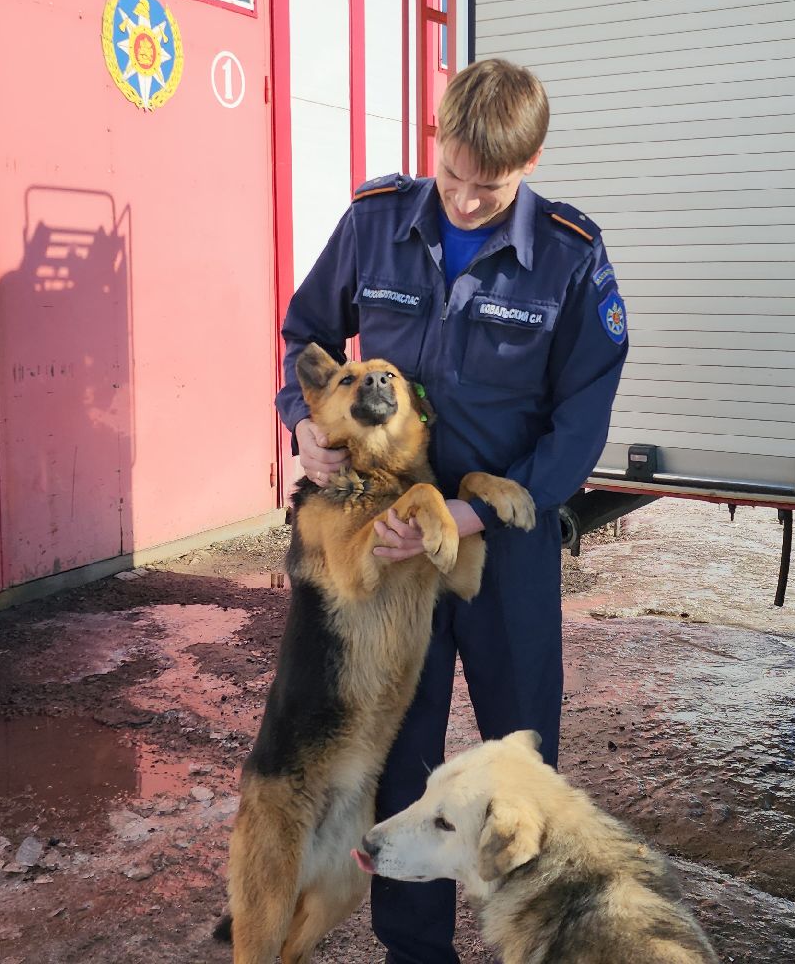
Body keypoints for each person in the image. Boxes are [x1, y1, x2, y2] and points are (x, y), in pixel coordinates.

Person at [273, 58, 630, 962]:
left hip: (501, 544)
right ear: (436, 139)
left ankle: (546, 941)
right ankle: (416, 953)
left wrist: (473, 519)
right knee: (402, 752)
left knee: (524, 767)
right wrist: (303, 429)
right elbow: (305, 335)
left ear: (533, 161)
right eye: (454, 174)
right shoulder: (377, 221)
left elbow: (579, 421)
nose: (466, 201)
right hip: (390, 541)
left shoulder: (569, 254)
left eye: (491, 185)